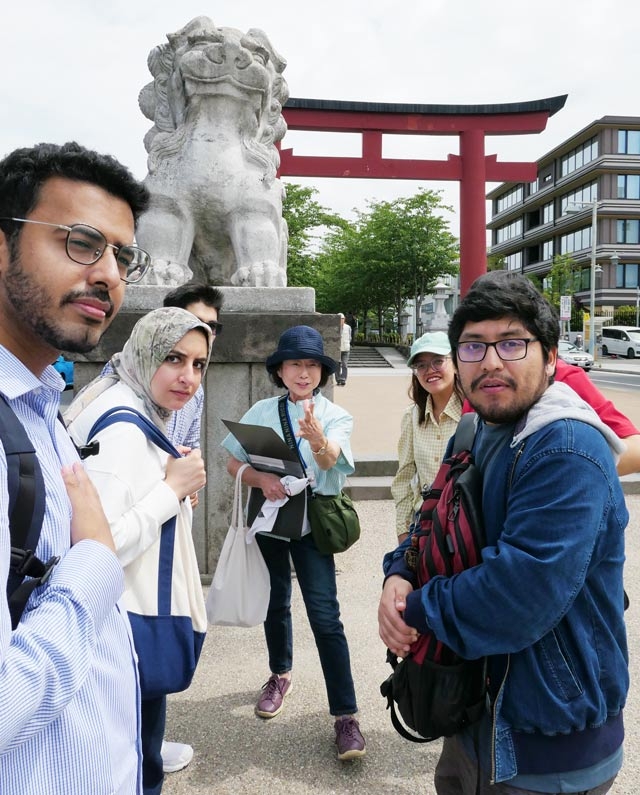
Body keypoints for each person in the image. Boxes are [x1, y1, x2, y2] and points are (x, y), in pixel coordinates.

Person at [379, 271, 628, 794]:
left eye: (512, 343)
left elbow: (520, 593)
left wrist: (417, 608)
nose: (491, 361)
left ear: (552, 356)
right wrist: (399, 571)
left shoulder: (565, 449)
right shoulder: (475, 429)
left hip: (546, 740)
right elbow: (431, 513)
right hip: (474, 710)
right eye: (473, 346)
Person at [0, 141, 150, 794]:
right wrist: (93, 568)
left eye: (123, 255)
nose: (110, 274)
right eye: (82, 243)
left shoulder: (39, 404)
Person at [65, 307, 212, 795]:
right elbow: (96, 548)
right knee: (135, 765)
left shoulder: (114, 394)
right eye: (174, 358)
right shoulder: (123, 429)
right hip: (123, 627)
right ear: (146, 350)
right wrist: (171, 492)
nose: (187, 377)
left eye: (198, 364)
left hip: (111, 625)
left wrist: (168, 485)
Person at [221, 325, 366, 761]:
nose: (304, 373)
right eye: (294, 364)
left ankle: (346, 716)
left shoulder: (335, 416)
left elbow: (330, 460)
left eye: (312, 365)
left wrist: (319, 442)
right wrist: (260, 477)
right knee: (275, 602)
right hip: (269, 520)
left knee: (325, 616)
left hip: (313, 525)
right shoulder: (262, 410)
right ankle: (279, 674)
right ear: (280, 371)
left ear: (322, 372)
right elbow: (231, 461)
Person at [391, 331, 464, 542]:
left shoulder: (474, 414)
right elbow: (404, 476)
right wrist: (403, 531)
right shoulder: (412, 416)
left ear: (456, 364)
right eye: (421, 365)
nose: (429, 370)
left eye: (438, 361)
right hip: (425, 525)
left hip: (465, 526)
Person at [336, 313, 351, 386]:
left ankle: (343, 379)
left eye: (342, 319)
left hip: (345, 349)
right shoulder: (335, 327)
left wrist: (347, 344)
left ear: (344, 319)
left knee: (344, 364)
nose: (340, 320)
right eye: (339, 319)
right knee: (337, 365)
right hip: (337, 349)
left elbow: (350, 337)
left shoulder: (348, 327)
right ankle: (338, 379)